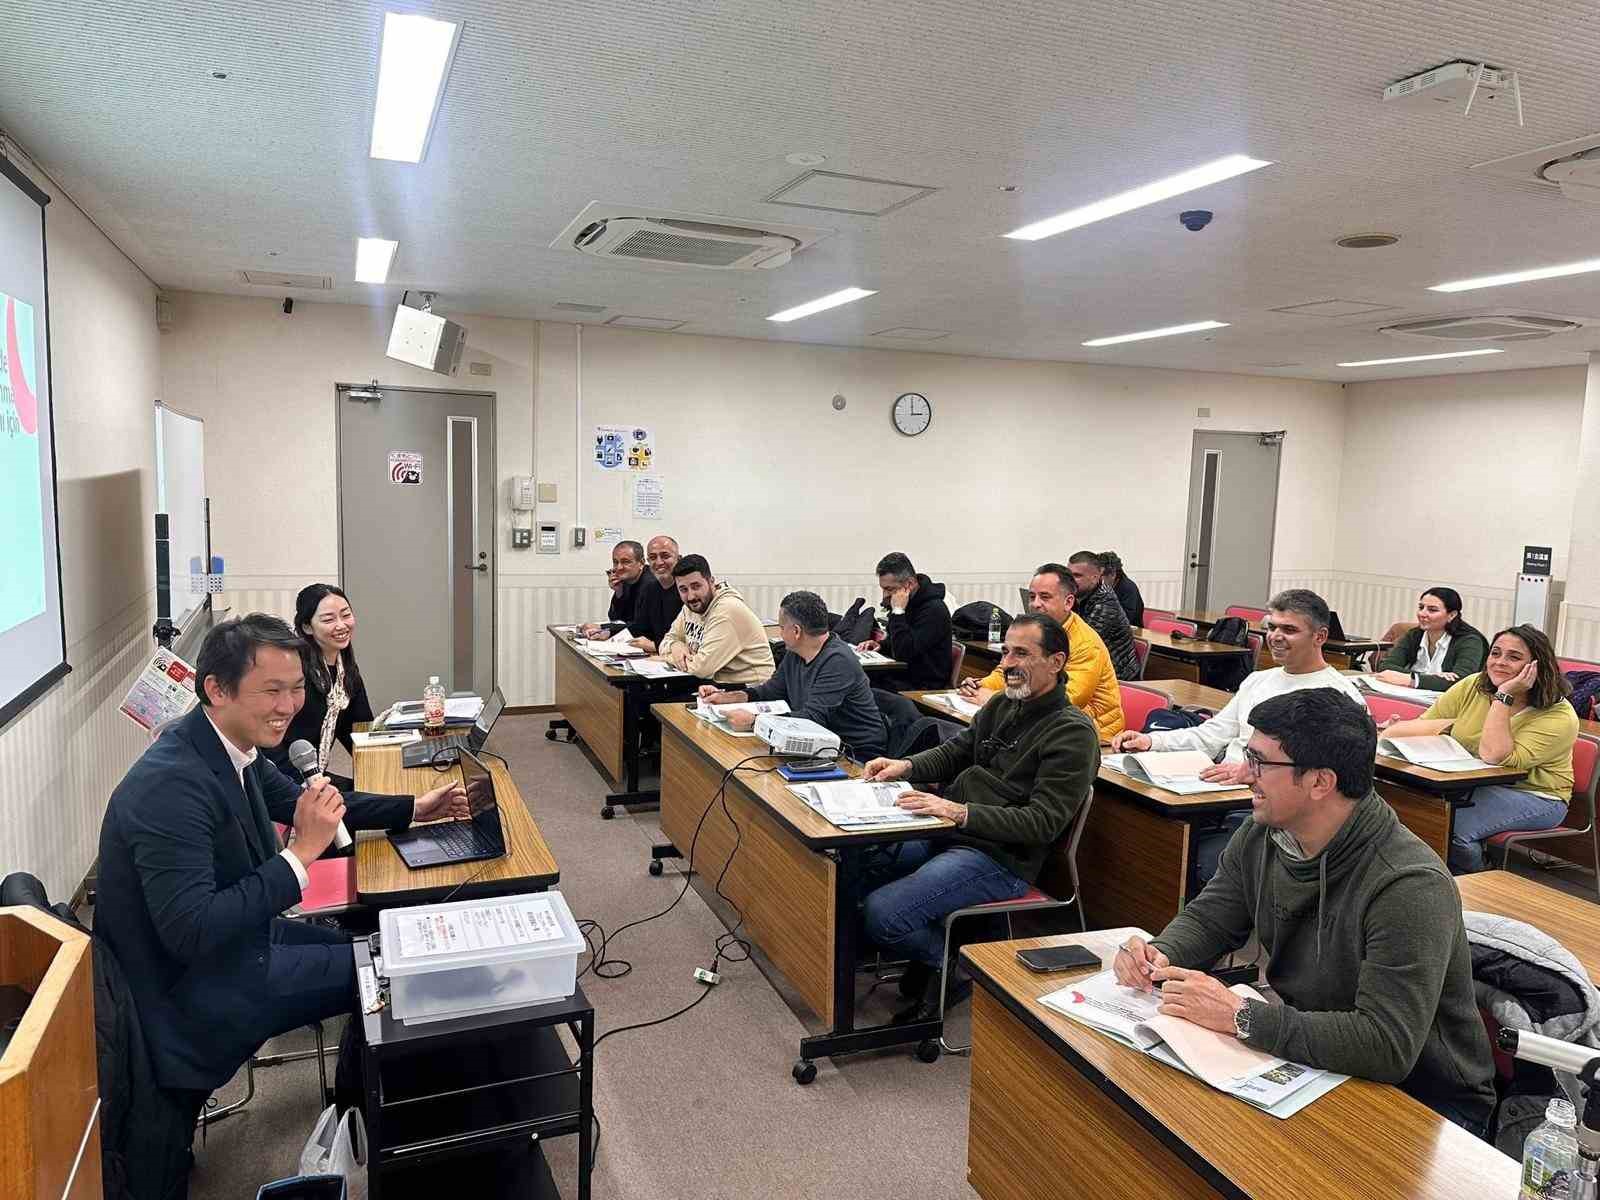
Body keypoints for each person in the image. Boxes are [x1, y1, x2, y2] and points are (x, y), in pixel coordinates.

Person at [94, 615, 470, 1134]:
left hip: (243, 940)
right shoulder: (169, 785)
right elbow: (191, 931)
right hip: (194, 985)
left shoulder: (231, 746)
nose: (289, 706)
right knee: (387, 976)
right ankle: (382, 1130)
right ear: (216, 690)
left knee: (375, 951)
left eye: (296, 688)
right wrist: (301, 855)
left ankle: (361, 1107)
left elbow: (308, 802)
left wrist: (412, 808)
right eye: (272, 691)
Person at [1114, 688, 1497, 1136]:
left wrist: (1241, 1015)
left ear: (1320, 782)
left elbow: (1387, 1045)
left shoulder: (1408, 884)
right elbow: (1210, 918)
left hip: (1426, 1101)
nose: (1245, 775)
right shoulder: (1263, 834)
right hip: (1319, 1059)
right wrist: (1159, 955)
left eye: (1260, 763)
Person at [859, 613, 1100, 1021]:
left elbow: (1042, 823)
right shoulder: (1004, 704)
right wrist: (906, 766)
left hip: (1000, 857)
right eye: (1005, 652)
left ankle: (957, 965)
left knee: (883, 913)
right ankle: (927, 954)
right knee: (858, 865)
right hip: (952, 832)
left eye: (1021, 654)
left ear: (1056, 662)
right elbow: (957, 751)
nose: (1006, 664)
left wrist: (958, 811)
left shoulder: (1072, 733)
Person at [1381, 624, 1577, 873]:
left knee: (1451, 827)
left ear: (1537, 666)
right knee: (1414, 809)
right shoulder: (1474, 685)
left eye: (1514, 657)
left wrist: (1504, 695)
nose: (1500, 662)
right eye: (1495, 653)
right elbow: (1425, 724)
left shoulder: (1559, 716)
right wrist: (1401, 728)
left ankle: (1476, 879)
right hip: (1471, 782)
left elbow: (1494, 756)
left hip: (1536, 795)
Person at [1111, 589, 1363, 783]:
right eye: (1272, 627)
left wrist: (1252, 772)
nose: (1275, 636)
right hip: (1223, 783)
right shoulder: (1258, 680)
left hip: (1267, 798)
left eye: (1289, 630)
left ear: (1320, 636)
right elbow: (1212, 735)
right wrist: (1152, 741)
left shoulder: (1340, 697)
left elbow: (1321, 772)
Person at [701, 590, 886, 759]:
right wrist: (728, 697)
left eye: (782, 627)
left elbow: (812, 719)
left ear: (796, 631)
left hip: (856, 753)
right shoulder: (796, 652)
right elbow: (770, 691)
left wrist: (754, 722)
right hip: (818, 743)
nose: (780, 633)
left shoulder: (838, 661)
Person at [957, 562, 1124, 740]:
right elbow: (1005, 671)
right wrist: (980, 686)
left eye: (1045, 597)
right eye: (1032, 597)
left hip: (1090, 732)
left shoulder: (1086, 644)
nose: (1035, 604)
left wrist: (996, 699)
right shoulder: (1032, 630)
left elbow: (1066, 699)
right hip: (1042, 721)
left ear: (1068, 602)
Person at [263, 583, 370, 789]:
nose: (341, 625)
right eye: (329, 620)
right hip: (286, 778)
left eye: (346, 615)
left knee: (380, 794)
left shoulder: (345, 668)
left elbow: (360, 730)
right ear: (307, 627)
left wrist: (376, 770)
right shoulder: (296, 672)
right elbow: (271, 744)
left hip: (315, 773)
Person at [658, 554, 775, 685]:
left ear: (711, 581)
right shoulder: (691, 607)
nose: (691, 596)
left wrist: (667, 658)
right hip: (715, 683)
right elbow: (665, 642)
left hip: (751, 688)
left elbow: (700, 669)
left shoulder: (727, 610)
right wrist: (675, 645)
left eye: (696, 586)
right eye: (683, 589)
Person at [858, 552, 953, 691]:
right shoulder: (907, 602)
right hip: (902, 675)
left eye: (889, 589)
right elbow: (898, 642)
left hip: (922, 685)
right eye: (883, 589)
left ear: (909, 584)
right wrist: (880, 645)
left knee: (859, 686)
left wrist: (898, 611)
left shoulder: (934, 610)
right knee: (854, 678)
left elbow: (904, 652)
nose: (885, 595)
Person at [1372, 587, 1487, 692]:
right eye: (1421, 607)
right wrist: (1432, 677)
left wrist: (1412, 680)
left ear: (1452, 615)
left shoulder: (1470, 641)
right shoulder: (1414, 635)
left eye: (1432, 610)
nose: (1422, 614)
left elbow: (1462, 681)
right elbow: (1386, 666)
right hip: (1411, 694)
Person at [1066, 550, 1140, 680]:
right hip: (1092, 667)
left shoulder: (1105, 602)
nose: (1070, 581)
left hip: (1117, 676)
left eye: (1077, 576)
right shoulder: (1079, 596)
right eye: (1068, 575)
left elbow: (1082, 644)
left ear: (1095, 577)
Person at [627, 534, 685, 653]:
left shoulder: (687, 591)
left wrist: (655, 646)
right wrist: (608, 631)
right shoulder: (650, 589)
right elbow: (639, 627)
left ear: (679, 559)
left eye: (665, 556)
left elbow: (691, 640)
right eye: (653, 558)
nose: (659, 562)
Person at [578, 540, 647, 638]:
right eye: (615, 562)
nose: (619, 567)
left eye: (625, 562)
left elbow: (641, 626)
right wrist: (619, 592)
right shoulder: (626, 579)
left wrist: (603, 627)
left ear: (641, 563)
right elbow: (616, 618)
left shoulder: (651, 584)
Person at [1098, 550, 1145, 628]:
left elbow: (1126, 619)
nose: (1097, 578)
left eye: (1100, 575)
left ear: (1113, 574)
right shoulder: (1103, 586)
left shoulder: (1128, 588)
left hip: (1130, 631)